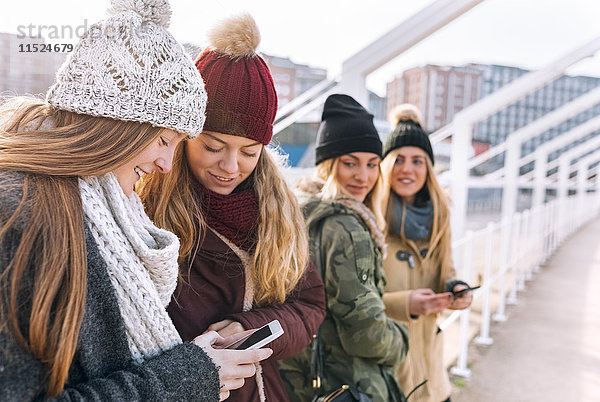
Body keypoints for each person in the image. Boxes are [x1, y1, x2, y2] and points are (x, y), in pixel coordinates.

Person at [0, 1, 271, 400]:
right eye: (163, 139)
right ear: (115, 126)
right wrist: (190, 376)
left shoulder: (101, 210)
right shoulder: (22, 215)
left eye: (178, 145)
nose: (165, 164)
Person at [137, 13, 326, 402]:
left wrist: (248, 326)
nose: (230, 167)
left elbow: (310, 304)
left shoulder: (279, 213)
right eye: (213, 146)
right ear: (185, 135)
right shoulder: (142, 202)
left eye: (249, 152)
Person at [278, 94, 409, 402]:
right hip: (348, 384)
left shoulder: (297, 211)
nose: (362, 177)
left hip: (301, 380)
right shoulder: (346, 227)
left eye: (372, 165)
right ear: (328, 164)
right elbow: (367, 332)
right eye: (350, 163)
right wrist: (402, 340)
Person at [376, 104, 474, 402]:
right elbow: (347, 301)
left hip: (431, 373)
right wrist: (405, 303)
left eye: (418, 161)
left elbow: (447, 274)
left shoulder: (439, 216)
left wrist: (456, 289)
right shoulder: (369, 218)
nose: (408, 169)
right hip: (385, 375)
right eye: (399, 159)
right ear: (385, 164)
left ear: (428, 168)